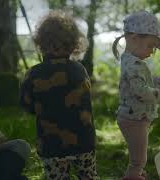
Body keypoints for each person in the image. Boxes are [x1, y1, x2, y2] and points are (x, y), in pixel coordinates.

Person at [19, 11, 99, 180]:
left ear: (41, 43)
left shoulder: (33, 74)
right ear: (73, 45)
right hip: (84, 142)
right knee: (89, 176)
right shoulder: (80, 69)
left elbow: (26, 104)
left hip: (52, 144)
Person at [112, 10, 160, 180]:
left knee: (138, 156)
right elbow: (140, 92)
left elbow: (142, 81)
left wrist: (158, 80)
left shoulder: (132, 61)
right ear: (134, 39)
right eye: (150, 46)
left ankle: (136, 174)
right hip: (134, 119)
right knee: (138, 159)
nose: (152, 52)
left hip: (135, 117)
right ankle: (133, 176)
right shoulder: (133, 64)